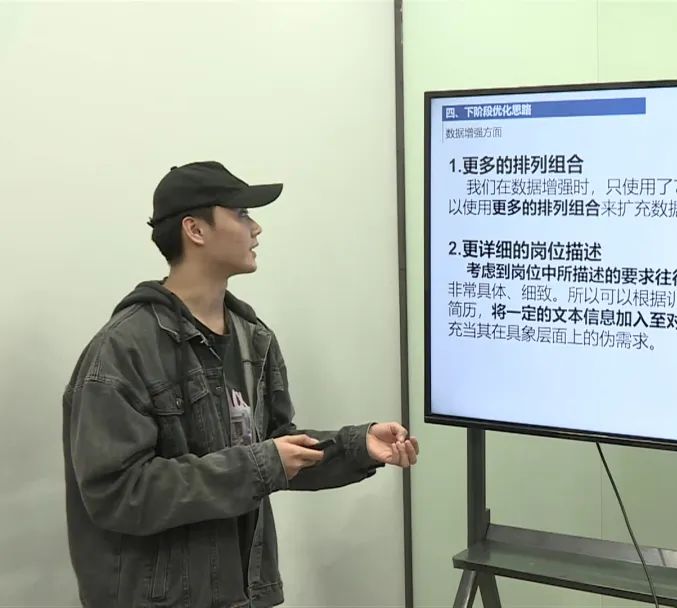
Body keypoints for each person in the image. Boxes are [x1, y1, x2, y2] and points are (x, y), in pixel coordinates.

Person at [61, 161, 419, 607]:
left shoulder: (253, 337)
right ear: (195, 229)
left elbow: (274, 448)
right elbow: (119, 493)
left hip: (245, 593)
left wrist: (356, 446)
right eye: (242, 213)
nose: (256, 228)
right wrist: (260, 464)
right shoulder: (123, 350)